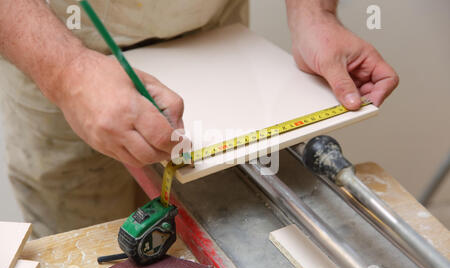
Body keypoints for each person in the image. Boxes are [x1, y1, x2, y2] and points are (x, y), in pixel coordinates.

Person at [0, 0, 398, 237]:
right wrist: (66, 72)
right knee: (89, 259)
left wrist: (315, 15)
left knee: (238, 235)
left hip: (219, 46)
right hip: (56, 55)